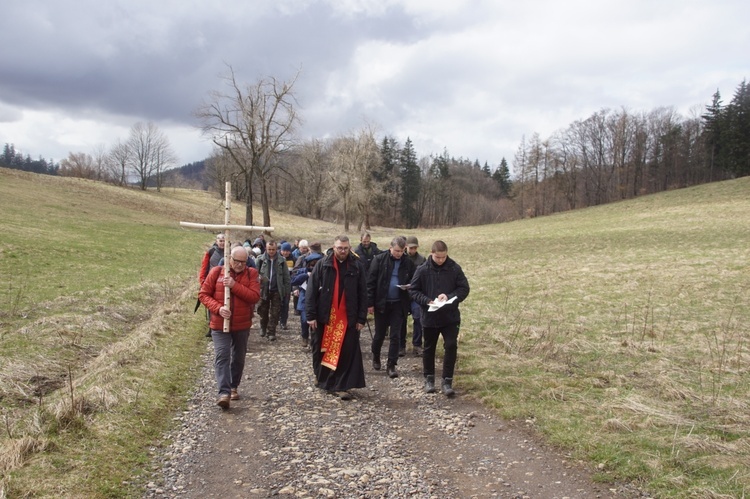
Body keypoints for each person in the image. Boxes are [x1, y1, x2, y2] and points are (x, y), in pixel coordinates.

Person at [305, 235, 367, 399]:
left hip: (348, 318)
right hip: (324, 317)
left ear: (350, 248)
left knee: (345, 352)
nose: (343, 251)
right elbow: (311, 291)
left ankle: (341, 385)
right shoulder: (322, 265)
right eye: (340, 248)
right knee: (320, 350)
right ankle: (323, 379)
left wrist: (361, 318)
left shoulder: (356, 266)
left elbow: (363, 293)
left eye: (346, 248)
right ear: (334, 248)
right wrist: (310, 315)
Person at [199, 245, 261, 408]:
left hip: (242, 324)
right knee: (222, 355)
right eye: (236, 261)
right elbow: (203, 295)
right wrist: (218, 308)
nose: (240, 265)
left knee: (238, 356)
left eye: (243, 261)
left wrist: (234, 285)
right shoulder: (217, 272)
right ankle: (223, 392)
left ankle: (234, 386)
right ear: (229, 259)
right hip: (219, 325)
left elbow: (254, 297)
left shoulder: (251, 274)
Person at [409, 240, 470, 397]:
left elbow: (464, 288)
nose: (441, 260)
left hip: (450, 317)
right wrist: (427, 300)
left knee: (451, 346)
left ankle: (447, 381)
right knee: (429, 348)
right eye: (438, 257)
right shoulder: (422, 270)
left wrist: (449, 296)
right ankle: (429, 380)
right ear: (432, 254)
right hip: (429, 317)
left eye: (443, 257)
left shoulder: (454, 268)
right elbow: (413, 290)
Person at [367, 236, 415, 379]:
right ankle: (376, 356)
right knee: (380, 334)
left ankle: (391, 364)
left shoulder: (408, 263)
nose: (398, 253)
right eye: (396, 251)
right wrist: (369, 303)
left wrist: (409, 288)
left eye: (401, 251)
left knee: (395, 336)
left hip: (399, 304)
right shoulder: (379, 260)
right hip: (382, 303)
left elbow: (415, 280)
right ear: (390, 248)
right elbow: (371, 282)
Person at [255, 240, 291, 341]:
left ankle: (271, 331)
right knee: (263, 311)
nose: (271, 251)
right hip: (264, 290)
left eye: (273, 249)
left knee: (275, 313)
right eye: (269, 249)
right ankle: (263, 327)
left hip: (277, 290)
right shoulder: (260, 260)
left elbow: (286, 277)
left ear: (276, 249)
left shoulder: (282, 261)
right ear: (266, 249)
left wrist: (287, 291)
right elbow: (253, 273)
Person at [291, 251, 323, 349]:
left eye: (316, 264)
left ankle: (314, 341)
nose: (314, 267)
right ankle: (304, 336)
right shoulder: (303, 271)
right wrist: (306, 275)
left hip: (318, 302)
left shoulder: (323, 272)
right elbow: (293, 281)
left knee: (316, 322)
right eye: (312, 264)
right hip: (305, 301)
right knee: (305, 320)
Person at [401, 236, 426, 356]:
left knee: (418, 319)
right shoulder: (401, 258)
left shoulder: (422, 260)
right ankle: (401, 345)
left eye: (415, 248)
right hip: (403, 294)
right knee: (401, 320)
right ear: (406, 247)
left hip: (416, 295)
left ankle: (417, 345)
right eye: (411, 248)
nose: (412, 250)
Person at [198, 233, 226, 337]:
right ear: (217, 241)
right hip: (212, 282)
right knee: (212, 305)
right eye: (220, 240)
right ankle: (212, 326)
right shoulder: (211, 252)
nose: (222, 243)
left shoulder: (231, 251)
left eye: (224, 241)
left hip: (225, 282)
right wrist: (203, 282)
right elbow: (204, 268)